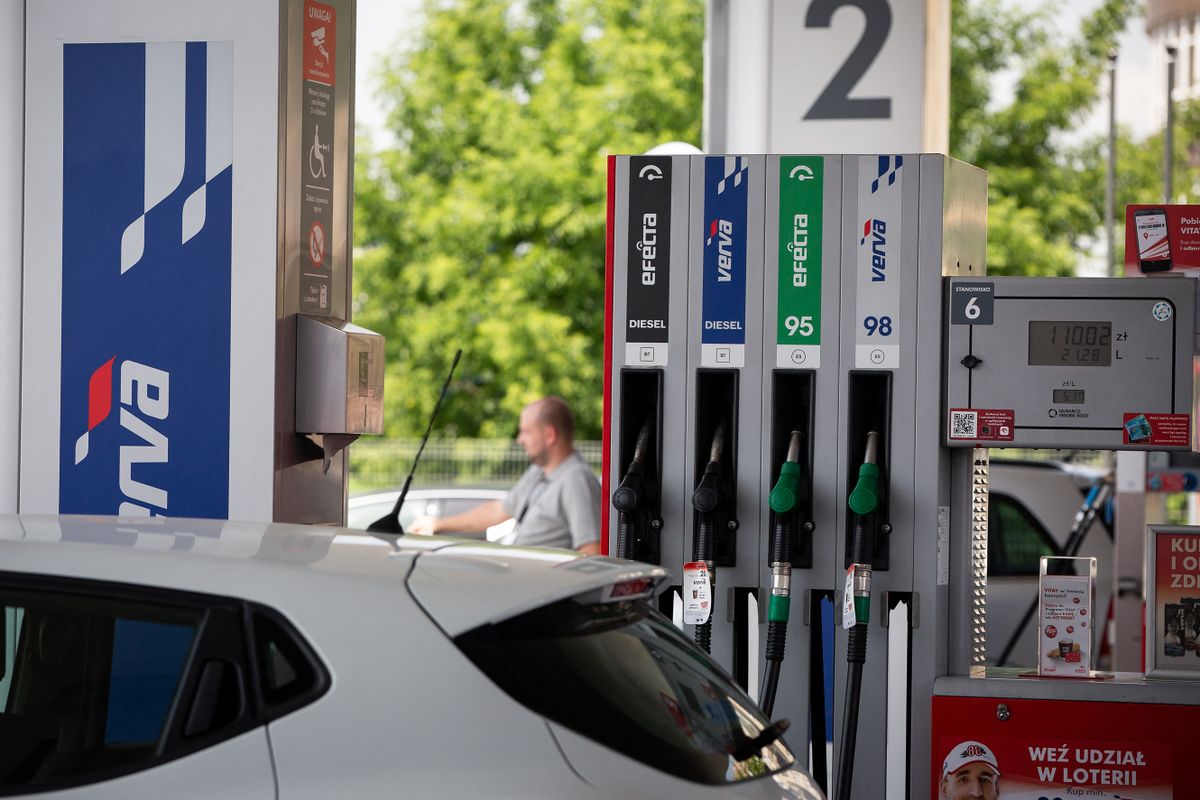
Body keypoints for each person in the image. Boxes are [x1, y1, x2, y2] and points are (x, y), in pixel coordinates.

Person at [409, 396, 601, 554]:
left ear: (550, 435)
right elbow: (498, 511)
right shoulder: (538, 472)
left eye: (525, 431)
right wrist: (437, 524)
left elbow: (591, 551)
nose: (519, 440)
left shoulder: (576, 480)